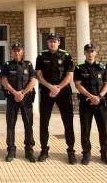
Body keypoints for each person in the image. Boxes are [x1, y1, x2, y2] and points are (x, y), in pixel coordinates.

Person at [35, 33, 76, 164]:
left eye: (55, 41)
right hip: (47, 91)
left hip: (63, 91)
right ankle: (44, 150)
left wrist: (58, 88)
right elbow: (38, 75)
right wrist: (50, 87)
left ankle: (70, 151)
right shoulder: (41, 56)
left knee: (68, 121)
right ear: (47, 43)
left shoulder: (66, 55)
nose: (52, 43)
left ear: (59, 42)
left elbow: (70, 75)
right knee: (44, 122)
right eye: (50, 41)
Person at [74, 43, 107, 165]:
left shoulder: (102, 67)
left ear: (95, 53)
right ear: (84, 53)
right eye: (88, 52)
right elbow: (78, 85)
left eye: (92, 51)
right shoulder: (79, 68)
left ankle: (105, 153)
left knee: (103, 129)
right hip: (86, 103)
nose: (90, 54)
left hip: (101, 103)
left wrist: (99, 96)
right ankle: (86, 153)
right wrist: (91, 96)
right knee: (85, 129)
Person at [0, 42, 37, 163]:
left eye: (19, 50)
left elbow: (33, 81)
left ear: (22, 52)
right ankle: (11, 150)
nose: (17, 52)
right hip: (12, 98)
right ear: (12, 52)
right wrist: (15, 93)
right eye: (15, 50)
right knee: (10, 124)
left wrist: (22, 93)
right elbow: (4, 81)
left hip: (26, 98)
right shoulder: (7, 65)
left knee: (28, 124)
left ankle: (29, 150)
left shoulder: (28, 64)